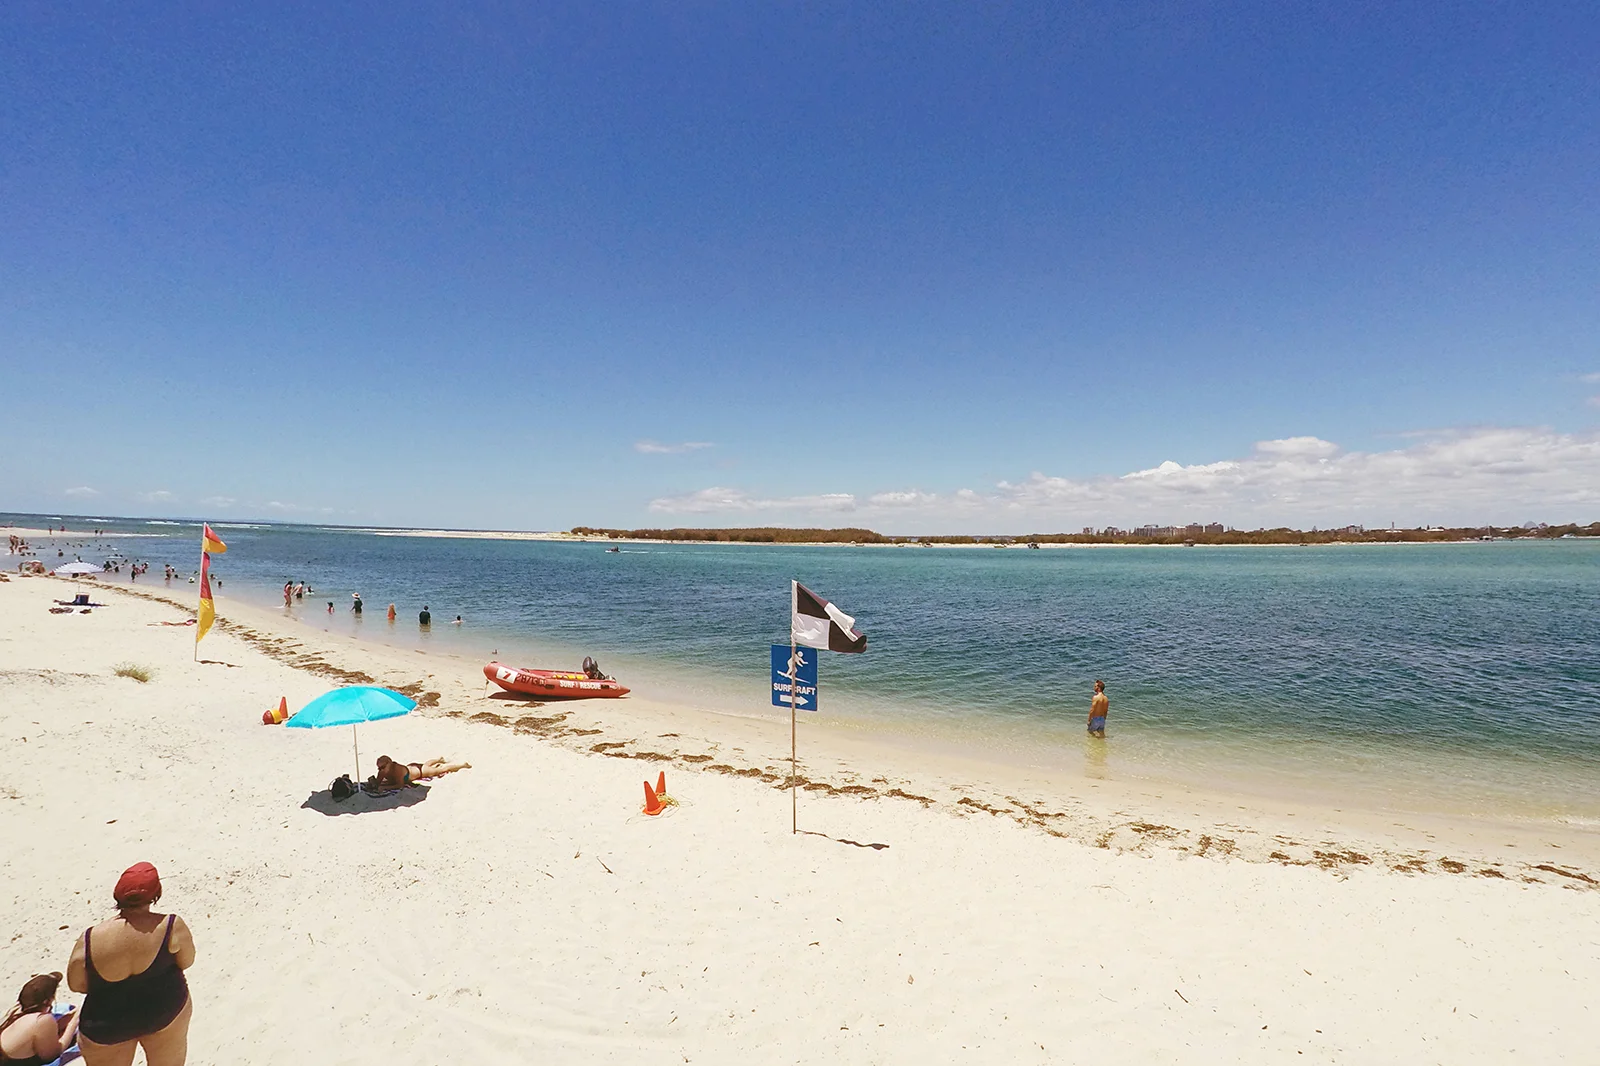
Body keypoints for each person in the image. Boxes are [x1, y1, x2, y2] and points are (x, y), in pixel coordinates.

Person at [66, 863, 195, 1066]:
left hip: (106, 1024)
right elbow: (187, 961)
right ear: (156, 894)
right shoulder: (170, 925)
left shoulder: (89, 938)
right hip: (164, 1011)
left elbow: (77, 985)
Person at [0, 972, 79, 1066]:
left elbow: (48, 1030)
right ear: (48, 1000)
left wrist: (72, 1015)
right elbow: (52, 1055)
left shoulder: (17, 1011)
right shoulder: (42, 1020)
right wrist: (74, 1022)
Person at [373, 755, 471, 789]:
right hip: (412, 767)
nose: (380, 769)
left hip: (419, 771)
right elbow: (378, 782)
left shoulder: (397, 769)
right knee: (426, 765)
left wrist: (385, 787)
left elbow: (400, 785)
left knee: (440, 770)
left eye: (382, 767)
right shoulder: (382, 770)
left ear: (390, 764)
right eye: (379, 767)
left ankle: (462, 765)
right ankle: (439, 759)